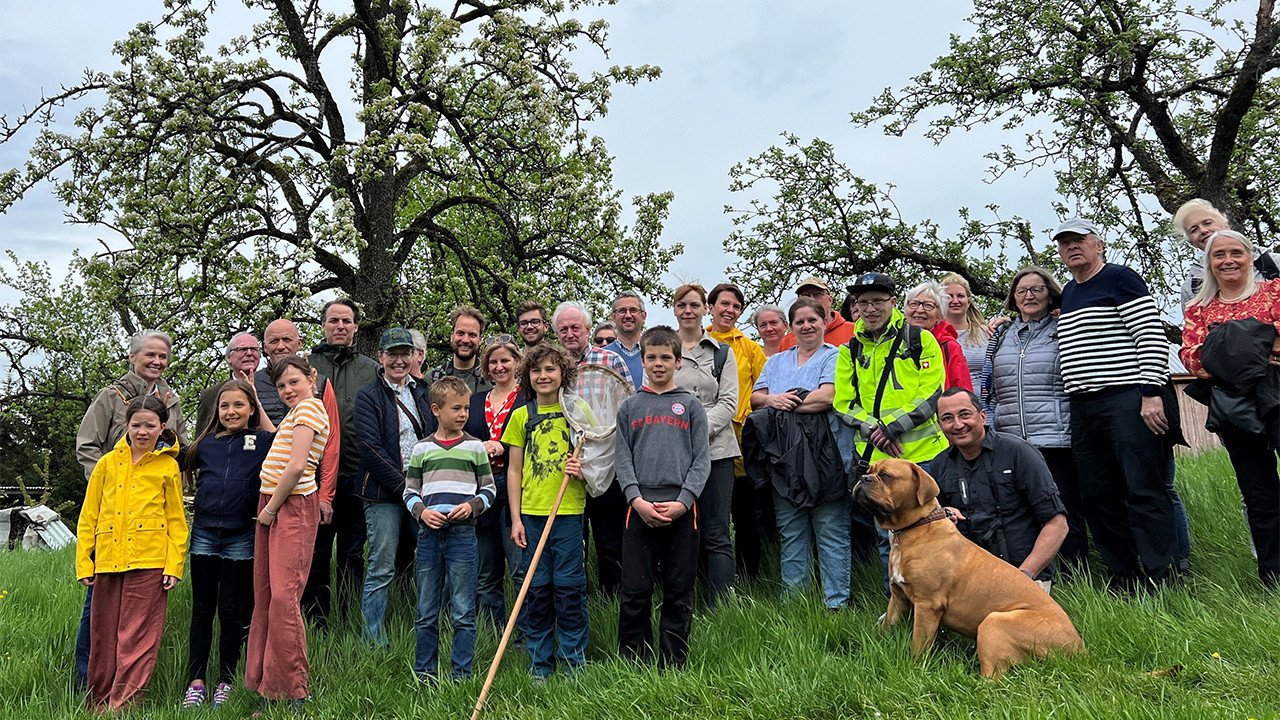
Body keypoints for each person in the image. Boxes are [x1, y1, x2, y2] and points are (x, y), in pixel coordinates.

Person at [1054, 218, 1177, 590]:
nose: (1073, 247)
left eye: (1080, 240)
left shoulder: (1121, 278)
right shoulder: (1069, 294)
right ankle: (1123, 578)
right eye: (1065, 243)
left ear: (1099, 244)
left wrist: (1151, 391)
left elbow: (1151, 334)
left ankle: (1164, 576)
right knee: (1097, 495)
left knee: (1144, 489)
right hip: (1082, 405)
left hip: (1125, 399)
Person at [73, 329, 188, 688]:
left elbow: (180, 451)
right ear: (132, 357)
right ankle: (87, 685)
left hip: (151, 519)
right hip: (112, 518)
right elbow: (87, 445)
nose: (156, 362)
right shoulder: (112, 396)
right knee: (98, 614)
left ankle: (127, 690)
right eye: (149, 355)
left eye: (163, 357)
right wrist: (110, 483)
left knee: (139, 618)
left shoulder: (171, 399)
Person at [1180, 229, 1280, 588]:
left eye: (1235, 252)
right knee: (1258, 493)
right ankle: (1273, 577)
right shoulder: (1198, 308)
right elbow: (1192, 357)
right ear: (1209, 264)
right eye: (1218, 255)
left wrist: (1225, 343)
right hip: (1233, 402)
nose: (1228, 260)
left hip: (1277, 393)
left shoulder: (1274, 291)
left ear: (1250, 256)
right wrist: (1259, 339)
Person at [981, 266, 1089, 569]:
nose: (1029, 296)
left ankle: (1075, 576)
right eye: (1022, 291)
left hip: (1055, 437)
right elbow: (989, 389)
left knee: (1063, 509)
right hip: (1011, 439)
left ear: (1050, 294)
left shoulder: (1063, 328)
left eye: (1037, 289)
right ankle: (1032, 576)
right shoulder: (1002, 334)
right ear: (1013, 298)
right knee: (1020, 512)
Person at [615, 326, 711, 667]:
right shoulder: (629, 407)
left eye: (665, 358)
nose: (658, 364)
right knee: (635, 591)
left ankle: (673, 663)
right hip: (639, 507)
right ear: (642, 361)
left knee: (679, 588)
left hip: (682, 509)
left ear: (678, 361)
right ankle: (633, 661)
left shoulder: (691, 406)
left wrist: (684, 501)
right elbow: (622, 459)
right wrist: (636, 500)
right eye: (651, 358)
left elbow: (702, 460)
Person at [181, 380, 276, 710]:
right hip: (205, 533)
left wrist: (259, 404)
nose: (231, 411)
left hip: (240, 534)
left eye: (239, 405)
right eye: (224, 406)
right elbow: (175, 459)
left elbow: (282, 441)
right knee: (202, 609)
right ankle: (196, 682)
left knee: (232, 610)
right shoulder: (205, 444)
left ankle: (227, 680)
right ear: (216, 411)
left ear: (251, 409)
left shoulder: (261, 440)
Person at [750, 296, 848, 608]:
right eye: (799, 321)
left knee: (830, 529)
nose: (806, 326)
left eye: (812, 320)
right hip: (783, 459)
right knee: (791, 530)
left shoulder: (836, 356)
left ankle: (836, 603)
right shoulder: (777, 360)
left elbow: (827, 397)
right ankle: (795, 603)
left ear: (824, 322)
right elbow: (756, 399)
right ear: (791, 327)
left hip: (825, 455)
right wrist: (773, 400)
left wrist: (780, 403)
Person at [245, 356, 330, 712]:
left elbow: (296, 466)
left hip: (290, 506)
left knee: (283, 598)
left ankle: (293, 689)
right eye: (281, 386)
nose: (288, 390)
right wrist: (255, 396)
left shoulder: (311, 409)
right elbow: (274, 435)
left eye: (294, 382)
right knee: (266, 594)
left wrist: (269, 509)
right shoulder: (297, 415)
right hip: (277, 503)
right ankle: (268, 684)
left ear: (311, 378)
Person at [501, 343, 589, 681]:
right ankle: (540, 663)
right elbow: (513, 470)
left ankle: (573, 662)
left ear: (563, 373)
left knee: (569, 589)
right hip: (532, 515)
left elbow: (596, 457)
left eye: (551, 369)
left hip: (567, 512)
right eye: (536, 370)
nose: (543, 375)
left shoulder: (577, 411)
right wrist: (515, 518)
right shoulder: (522, 416)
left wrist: (583, 469)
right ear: (527, 376)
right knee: (536, 590)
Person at [403, 375, 496, 682]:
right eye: (456, 408)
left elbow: (489, 490)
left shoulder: (474, 448)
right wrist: (422, 512)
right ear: (435, 409)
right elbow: (410, 492)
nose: (463, 414)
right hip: (429, 536)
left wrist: (472, 506)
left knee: (463, 611)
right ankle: (425, 674)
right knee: (427, 610)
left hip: (463, 535)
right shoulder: (421, 450)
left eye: (466, 408)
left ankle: (461, 674)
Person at [931, 389, 1070, 592]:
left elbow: (1058, 524)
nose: (958, 425)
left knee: (1003, 623)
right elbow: (933, 523)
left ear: (983, 416)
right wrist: (945, 514)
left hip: (1024, 576)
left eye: (965, 414)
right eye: (947, 418)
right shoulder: (939, 465)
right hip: (967, 579)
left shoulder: (1018, 452)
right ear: (940, 425)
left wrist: (1024, 577)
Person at [353, 328, 437, 647]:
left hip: (424, 489)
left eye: (405, 353)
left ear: (415, 356)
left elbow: (435, 435)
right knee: (381, 565)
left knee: (430, 558)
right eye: (392, 354)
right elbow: (370, 449)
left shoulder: (425, 391)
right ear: (381, 357)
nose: (399, 360)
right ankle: (373, 640)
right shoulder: (368, 396)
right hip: (383, 494)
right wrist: (405, 489)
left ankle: (429, 629)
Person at [304, 299, 379, 629]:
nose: (340, 326)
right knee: (316, 554)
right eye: (333, 320)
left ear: (356, 327)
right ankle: (315, 623)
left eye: (346, 321)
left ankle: (349, 622)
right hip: (313, 477)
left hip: (356, 475)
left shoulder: (370, 368)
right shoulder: (307, 365)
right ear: (323, 325)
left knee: (352, 554)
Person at [553, 300, 632, 598]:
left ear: (588, 329)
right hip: (567, 467)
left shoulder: (609, 361)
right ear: (556, 332)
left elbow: (626, 409)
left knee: (609, 538)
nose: (570, 333)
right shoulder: (552, 365)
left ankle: (613, 599)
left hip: (606, 465)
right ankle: (577, 599)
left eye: (576, 327)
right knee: (573, 540)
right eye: (564, 329)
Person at [671, 284, 740, 607]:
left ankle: (722, 604)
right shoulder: (663, 348)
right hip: (675, 455)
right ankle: (682, 600)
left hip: (717, 453)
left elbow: (729, 403)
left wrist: (696, 432)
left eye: (695, 305)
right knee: (683, 531)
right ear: (674, 309)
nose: (688, 310)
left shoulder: (723, 352)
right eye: (682, 304)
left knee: (717, 531)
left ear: (705, 309)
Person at [705, 283, 771, 580]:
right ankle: (705, 577)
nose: (729, 310)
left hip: (744, 443)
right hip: (705, 440)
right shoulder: (697, 343)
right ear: (711, 307)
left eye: (735, 306)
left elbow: (765, 390)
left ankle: (748, 579)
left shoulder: (750, 348)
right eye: (724, 304)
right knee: (708, 516)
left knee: (746, 517)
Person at [463, 337, 528, 635]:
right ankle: (492, 633)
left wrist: (501, 445)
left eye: (505, 360)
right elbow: (460, 437)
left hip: (517, 485)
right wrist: (480, 447)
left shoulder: (528, 398)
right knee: (486, 570)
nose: (499, 366)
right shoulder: (476, 400)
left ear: (517, 362)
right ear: (486, 367)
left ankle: (525, 633)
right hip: (481, 487)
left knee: (519, 567)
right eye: (493, 362)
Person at [1174, 199, 1280, 308]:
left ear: (1226, 225)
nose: (1203, 230)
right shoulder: (1192, 288)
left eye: (1207, 223)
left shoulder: (1273, 263)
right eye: (1194, 229)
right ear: (1192, 242)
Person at [903, 282, 973, 391]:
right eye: (914, 304)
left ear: (940, 316)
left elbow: (963, 391)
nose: (920, 310)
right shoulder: (891, 342)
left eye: (928, 305)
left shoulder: (949, 347)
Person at [195, 333, 263, 434]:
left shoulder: (275, 388)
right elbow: (200, 440)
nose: (249, 353)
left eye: (254, 349)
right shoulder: (210, 395)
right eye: (242, 349)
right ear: (228, 358)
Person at [778, 276, 858, 350]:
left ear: (830, 300)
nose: (811, 299)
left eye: (817, 294)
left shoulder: (855, 332)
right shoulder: (787, 341)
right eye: (806, 295)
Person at [939, 273, 988, 392]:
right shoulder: (934, 335)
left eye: (960, 296)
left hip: (985, 406)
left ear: (969, 301)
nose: (955, 300)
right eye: (949, 296)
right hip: (950, 405)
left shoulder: (987, 332)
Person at [429, 306, 493, 394]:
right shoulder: (433, 379)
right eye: (460, 333)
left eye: (472, 335)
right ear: (452, 336)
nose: (465, 340)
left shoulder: (492, 379)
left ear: (480, 340)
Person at [603, 291, 648, 389]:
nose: (628, 315)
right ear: (613, 317)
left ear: (644, 316)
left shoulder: (655, 353)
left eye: (633, 310)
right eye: (622, 311)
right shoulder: (603, 356)